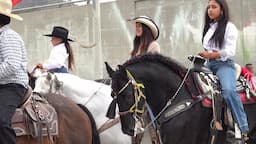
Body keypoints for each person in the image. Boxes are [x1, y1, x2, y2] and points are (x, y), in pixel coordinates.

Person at [198, 0, 249, 138]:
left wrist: (212, 54)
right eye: (209, 7)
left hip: (224, 65)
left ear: (222, 9)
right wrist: (205, 56)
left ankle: (243, 127)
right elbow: (207, 48)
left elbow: (230, 51)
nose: (210, 10)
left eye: (214, 7)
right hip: (208, 64)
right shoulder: (209, 27)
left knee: (228, 91)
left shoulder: (229, 27)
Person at [0, 0, 29, 143]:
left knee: (1, 121)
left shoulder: (8, 36)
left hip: (12, 85)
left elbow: (12, 65)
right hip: (2, 84)